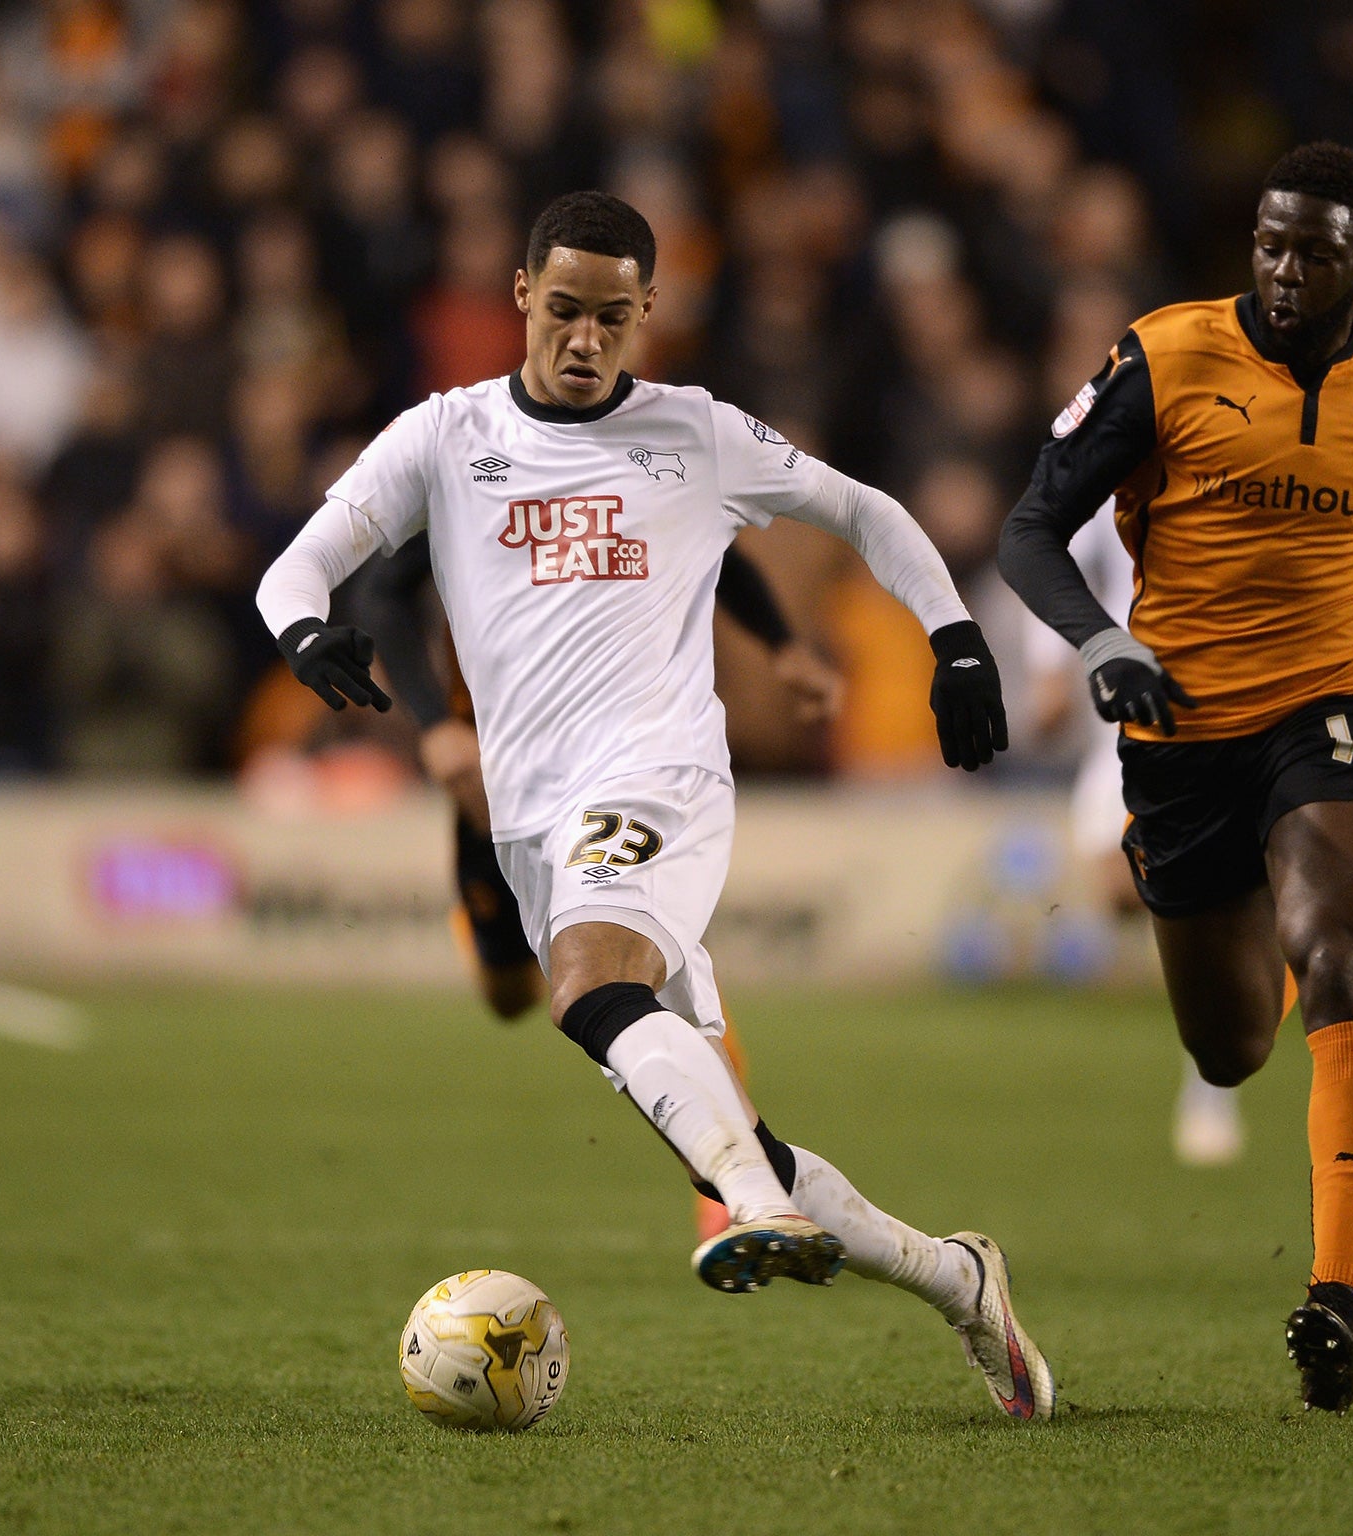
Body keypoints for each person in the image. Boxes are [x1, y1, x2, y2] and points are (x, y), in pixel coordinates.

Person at [258, 191, 1052, 1420]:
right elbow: (297, 561)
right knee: (710, 1102)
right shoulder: (444, 436)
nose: (584, 340)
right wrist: (305, 627)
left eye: (611, 319)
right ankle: (956, 1276)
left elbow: (865, 512)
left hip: (659, 783)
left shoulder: (695, 434)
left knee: (587, 986)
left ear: (645, 315)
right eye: (563, 310)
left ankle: (752, 1204)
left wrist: (952, 636)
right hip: (531, 826)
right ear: (522, 294)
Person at [999, 144, 1353, 1413]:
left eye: (1312, 249)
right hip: (1181, 725)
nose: (1282, 269)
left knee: (1339, 956)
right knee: (1232, 1041)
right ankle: (1238, 1004)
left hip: (1343, 705)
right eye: (1266, 242)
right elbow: (1028, 526)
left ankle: (1336, 1299)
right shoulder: (1164, 356)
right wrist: (1101, 641)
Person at [346, 533, 842, 1242]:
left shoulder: (630, 455)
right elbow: (380, 589)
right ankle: (499, 935)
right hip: (496, 766)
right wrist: (433, 728)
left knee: (640, 962)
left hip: (614, 758)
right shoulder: (470, 457)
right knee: (509, 995)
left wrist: (781, 643)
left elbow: (707, 545)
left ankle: (730, 1176)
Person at [1023, 508, 1244, 1166]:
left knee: (1196, 897)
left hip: (1221, 691)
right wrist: (1048, 665)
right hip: (1125, 702)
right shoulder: (1113, 448)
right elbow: (1048, 540)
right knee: (1119, 888)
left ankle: (1209, 1091)